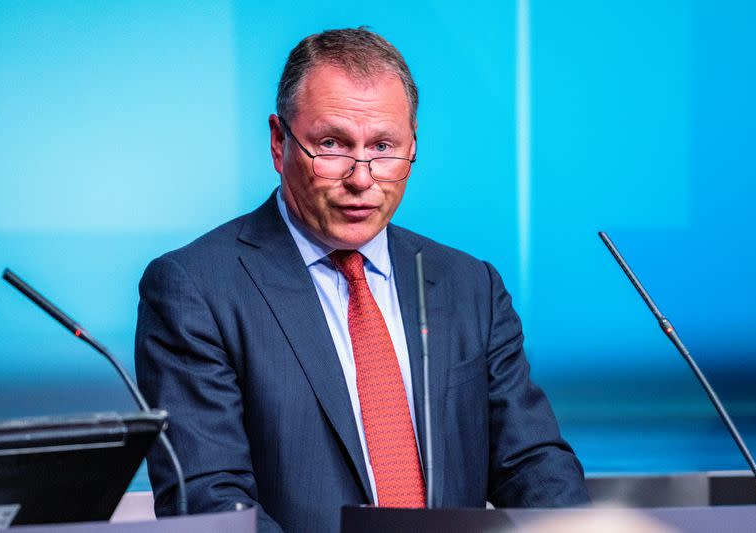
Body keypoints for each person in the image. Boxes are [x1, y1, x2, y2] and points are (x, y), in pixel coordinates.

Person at [135, 27, 589, 533]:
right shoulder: (196, 289)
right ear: (279, 141)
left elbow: (532, 466)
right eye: (332, 144)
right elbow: (210, 504)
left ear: (413, 144)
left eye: (384, 146)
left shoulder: (469, 286)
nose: (362, 176)